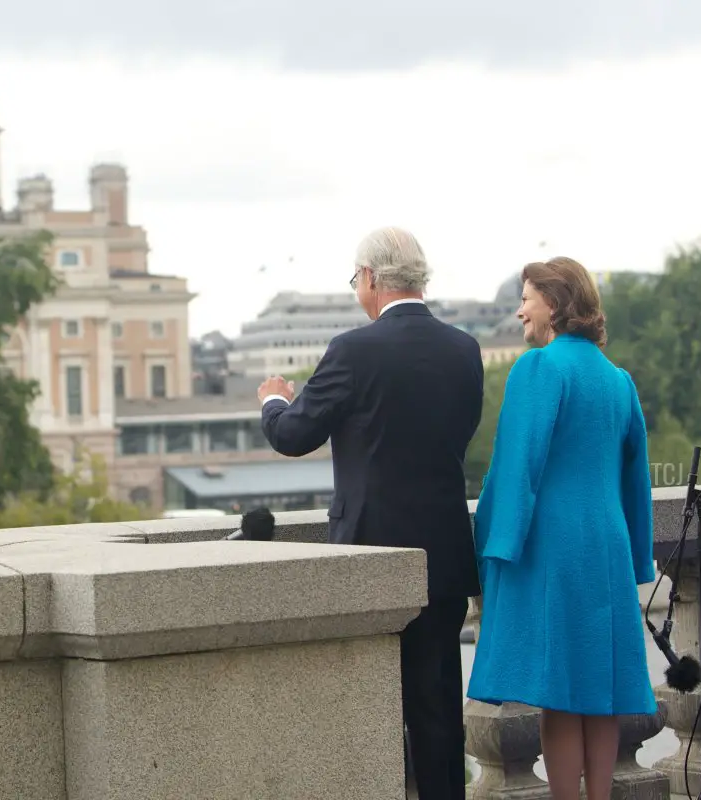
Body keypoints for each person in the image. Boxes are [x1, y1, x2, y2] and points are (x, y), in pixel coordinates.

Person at [259, 227, 484, 800]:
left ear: (370, 280)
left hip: (372, 554)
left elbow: (292, 435)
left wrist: (273, 398)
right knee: (437, 711)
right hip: (445, 554)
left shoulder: (354, 351)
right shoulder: (464, 349)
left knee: (372, 713)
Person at [467, 257, 656, 800]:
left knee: (560, 694)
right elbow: (634, 480)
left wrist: (494, 544)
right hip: (608, 545)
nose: (520, 310)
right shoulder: (618, 381)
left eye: (527, 297)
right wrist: (638, 558)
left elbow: (514, 468)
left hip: (554, 548)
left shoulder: (540, 368)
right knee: (600, 691)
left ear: (555, 302)